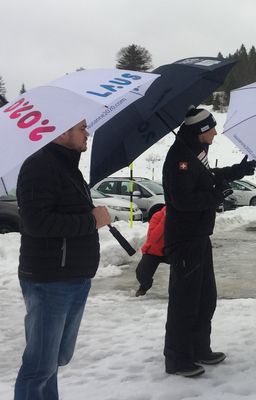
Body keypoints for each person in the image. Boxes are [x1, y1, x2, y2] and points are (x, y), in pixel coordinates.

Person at [14, 120, 112, 399]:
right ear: (61, 132)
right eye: (82, 128)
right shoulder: (38, 166)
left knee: (54, 359)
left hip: (74, 277)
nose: (87, 133)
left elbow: (64, 212)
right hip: (49, 280)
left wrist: (89, 215)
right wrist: (90, 220)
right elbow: (36, 222)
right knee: (39, 365)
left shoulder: (67, 166)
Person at [161, 107, 256, 377]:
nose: (215, 132)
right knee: (184, 300)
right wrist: (216, 197)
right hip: (185, 239)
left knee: (205, 297)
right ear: (200, 131)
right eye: (211, 128)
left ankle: (198, 348)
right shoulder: (180, 157)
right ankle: (178, 358)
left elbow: (209, 178)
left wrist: (238, 171)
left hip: (200, 235)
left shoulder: (195, 152)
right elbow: (183, 201)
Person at [135, 205, 167, 297]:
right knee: (141, 273)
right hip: (154, 250)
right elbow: (154, 238)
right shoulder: (157, 216)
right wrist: (165, 219)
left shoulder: (181, 216)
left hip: (173, 250)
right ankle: (144, 287)